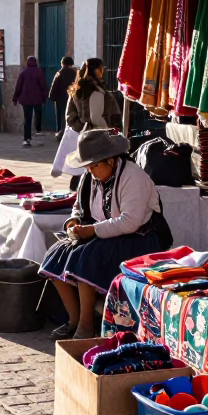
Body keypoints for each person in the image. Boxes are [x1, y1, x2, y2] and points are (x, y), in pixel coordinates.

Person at [40, 128, 172, 340]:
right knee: (55, 255)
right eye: (88, 167)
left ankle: (86, 325)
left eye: (94, 166)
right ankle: (73, 320)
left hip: (139, 237)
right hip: (105, 232)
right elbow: (79, 207)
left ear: (110, 161)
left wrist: (91, 230)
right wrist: (73, 222)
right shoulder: (90, 177)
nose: (90, 171)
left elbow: (130, 222)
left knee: (85, 258)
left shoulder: (133, 176)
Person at [66, 58, 121, 133]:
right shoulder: (97, 90)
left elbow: (69, 116)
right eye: (101, 68)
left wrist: (81, 128)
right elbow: (97, 118)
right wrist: (107, 131)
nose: (102, 71)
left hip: (81, 136)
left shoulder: (76, 90)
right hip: (99, 136)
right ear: (96, 70)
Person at [12, 55, 47, 147]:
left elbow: (18, 87)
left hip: (26, 100)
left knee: (27, 119)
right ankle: (38, 134)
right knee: (38, 117)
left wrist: (15, 98)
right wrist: (44, 98)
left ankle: (26, 139)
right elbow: (43, 86)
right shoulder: (39, 72)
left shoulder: (23, 73)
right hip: (38, 99)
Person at [48, 55, 76, 139]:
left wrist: (52, 97)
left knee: (60, 115)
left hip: (60, 98)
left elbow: (54, 86)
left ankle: (60, 132)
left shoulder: (59, 73)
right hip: (72, 98)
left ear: (62, 63)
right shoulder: (75, 73)